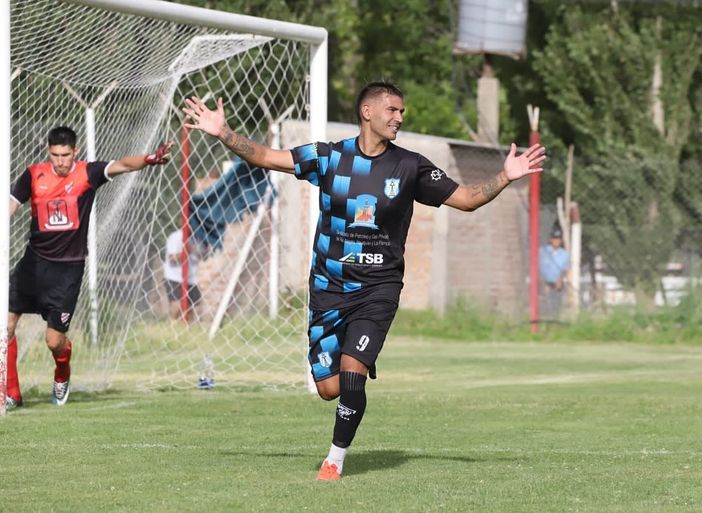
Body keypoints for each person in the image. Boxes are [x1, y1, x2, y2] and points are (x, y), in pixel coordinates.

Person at [182, 81, 546, 480]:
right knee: (329, 388)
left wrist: (506, 175)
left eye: (402, 112)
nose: (400, 118)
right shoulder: (329, 158)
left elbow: (467, 199)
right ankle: (348, 386)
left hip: (379, 288)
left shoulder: (410, 166)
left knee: (353, 371)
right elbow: (267, 157)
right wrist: (223, 133)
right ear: (367, 112)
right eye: (393, 110)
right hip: (328, 288)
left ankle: (334, 460)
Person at [6, 126, 173, 409]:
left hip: (67, 271)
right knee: (5, 324)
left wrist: (148, 158)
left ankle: (62, 373)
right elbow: (9, 205)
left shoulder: (86, 174)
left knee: (53, 341)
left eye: (65, 155)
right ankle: (11, 394)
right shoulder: (33, 175)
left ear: (75, 151)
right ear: (49, 151)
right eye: (55, 155)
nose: (60, 161)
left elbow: (120, 165)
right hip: (32, 265)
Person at [163, 228, 203, 321]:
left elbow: (204, 255)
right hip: (174, 276)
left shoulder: (200, 237)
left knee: (191, 308)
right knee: (176, 306)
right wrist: (188, 250)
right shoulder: (176, 237)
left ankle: (187, 330)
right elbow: (172, 259)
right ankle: (171, 325)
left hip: (192, 278)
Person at [539, 223, 570, 319]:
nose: (556, 241)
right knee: (543, 309)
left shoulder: (565, 255)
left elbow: (565, 270)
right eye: (554, 238)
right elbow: (538, 267)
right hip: (543, 283)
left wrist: (560, 281)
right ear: (550, 240)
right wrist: (543, 283)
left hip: (557, 284)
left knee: (556, 308)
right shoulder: (543, 251)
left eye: (558, 239)